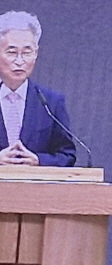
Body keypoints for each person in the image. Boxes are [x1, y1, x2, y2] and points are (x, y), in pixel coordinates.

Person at [0, 11, 75, 167]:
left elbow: (67, 155)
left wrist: (39, 161)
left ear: (36, 54)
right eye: (12, 52)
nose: (19, 61)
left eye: (27, 52)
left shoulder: (51, 102)